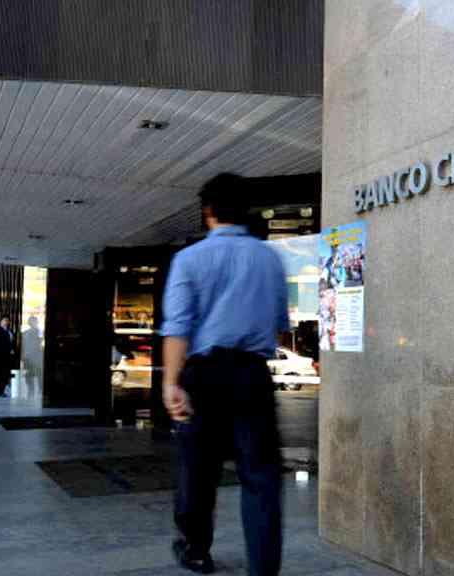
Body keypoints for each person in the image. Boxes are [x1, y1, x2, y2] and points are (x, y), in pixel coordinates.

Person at [161, 172, 289, 575]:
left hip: (203, 375)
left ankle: (197, 550)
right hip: (252, 374)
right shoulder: (270, 258)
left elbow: (178, 326)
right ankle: (263, 569)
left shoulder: (189, 259)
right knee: (261, 477)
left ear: (208, 211)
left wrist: (171, 383)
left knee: (197, 470)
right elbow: (278, 323)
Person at [20, 317, 43, 401]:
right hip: (27, 357)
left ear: (37, 322)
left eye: (34, 322)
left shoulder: (40, 332)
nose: (33, 323)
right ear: (29, 323)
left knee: (39, 374)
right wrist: (22, 356)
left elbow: (41, 342)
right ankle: (31, 391)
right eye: (31, 322)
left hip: (37, 356)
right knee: (28, 375)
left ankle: (40, 390)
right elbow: (22, 345)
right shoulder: (25, 333)